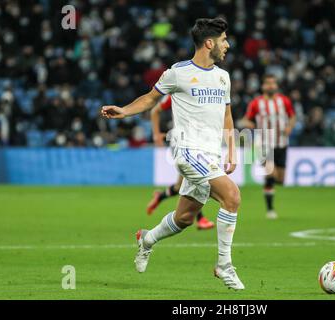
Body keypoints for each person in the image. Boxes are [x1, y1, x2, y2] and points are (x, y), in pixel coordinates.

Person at [101, 17, 244, 290]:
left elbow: (227, 115)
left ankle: (146, 239)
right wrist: (124, 110)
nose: (227, 45)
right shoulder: (177, 73)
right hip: (187, 150)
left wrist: (232, 151)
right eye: (224, 40)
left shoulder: (223, 77)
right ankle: (224, 266)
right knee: (232, 196)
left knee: (185, 218)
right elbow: (150, 99)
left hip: (211, 154)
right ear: (209, 43)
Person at [147, 94, 215, 230]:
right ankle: (201, 219)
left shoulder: (204, 94)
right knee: (195, 179)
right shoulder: (176, 93)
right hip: (181, 143)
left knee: (180, 186)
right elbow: (155, 111)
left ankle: (160, 196)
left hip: (199, 142)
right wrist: (156, 135)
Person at [242, 74, 296, 219]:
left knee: (280, 180)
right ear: (263, 86)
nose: (271, 86)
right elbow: (245, 120)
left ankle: (270, 187)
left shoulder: (284, 101)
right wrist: (253, 125)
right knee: (270, 174)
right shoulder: (256, 103)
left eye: (273, 83)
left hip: (282, 143)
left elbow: (292, 116)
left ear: (276, 86)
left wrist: (290, 126)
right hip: (265, 143)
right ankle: (270, 209)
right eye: (268, 83)